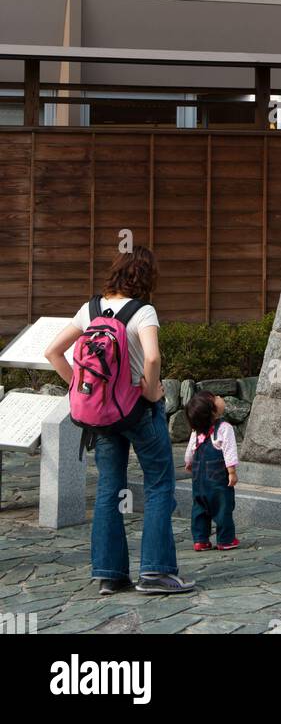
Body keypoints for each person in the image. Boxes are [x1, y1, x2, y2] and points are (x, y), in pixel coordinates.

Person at [45, 246, 194, 597]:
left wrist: (80, 390)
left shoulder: (90, 309)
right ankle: (155, 572)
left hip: (101, 416)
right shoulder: (143, 312)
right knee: (159, 485)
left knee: (110, 490)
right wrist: (152, 392)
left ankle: (110, 574)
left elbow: (52, 351)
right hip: (138, 412)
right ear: (146, 277)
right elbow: (153, 356)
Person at [184, 391, 240, 551]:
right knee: (223, 508)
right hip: (218, 481)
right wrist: (232, 472)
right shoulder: (224, 428)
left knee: (199, 508)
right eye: (216, 398)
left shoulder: (196, 432)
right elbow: (229, 451)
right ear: (213, 411)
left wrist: (189, 464)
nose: (219, 398)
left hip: (199, 480)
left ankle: (200, 540)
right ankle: (225, 539)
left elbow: (190, 451)